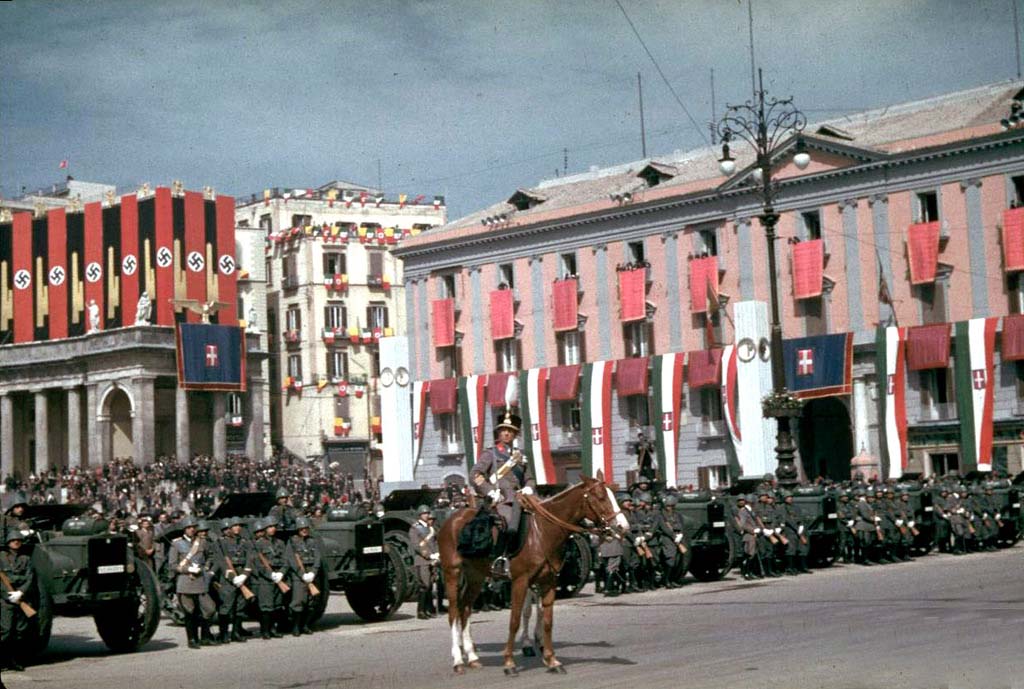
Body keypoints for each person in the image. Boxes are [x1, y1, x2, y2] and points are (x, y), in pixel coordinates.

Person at [469, 411, 534, 578]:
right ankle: (500, 558)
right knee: (508, 522)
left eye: (510, 431)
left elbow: (529, 478)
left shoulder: (521, 456)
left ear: (515, 434)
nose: (506, 433)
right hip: (501, 499)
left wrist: (529, 487)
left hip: (522, 498)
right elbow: (475, 475)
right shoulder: (490, 453)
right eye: (503, 430)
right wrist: (490, 491)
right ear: (498, 432)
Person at [169, 517, 217, 649]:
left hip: (201, 581)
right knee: (190, 612)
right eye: (189, 528)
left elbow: (210, 557)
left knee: (209, 609)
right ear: (184, 529)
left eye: (193, 527)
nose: (191, 529)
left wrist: (205, 567)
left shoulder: (201, 542)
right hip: (186, 582)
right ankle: (192, 639)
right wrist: (188, 569)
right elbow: (172, 565)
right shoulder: (177, 544)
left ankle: (205, 637)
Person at [212, 516, 253, 643]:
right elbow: (221, 562)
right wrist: (233, 577)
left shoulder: (245, 542)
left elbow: (250, 559)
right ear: (228, 528)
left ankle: (236, 632)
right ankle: (223, 633)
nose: (237, 528)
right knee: (226, 606)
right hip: (228, 579)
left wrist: (244, 575)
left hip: (242, 576)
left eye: (239, 526)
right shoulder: (220, 543)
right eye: (234, 526)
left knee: (240, 606)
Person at [1, 529, 36, 672]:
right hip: (6, 600)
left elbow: (30, 578)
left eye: (18, 540)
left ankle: (13, 661)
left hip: (21, 599)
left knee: (20, 632)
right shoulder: (1, 557)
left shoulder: (25, 559)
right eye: (13, 540)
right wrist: (8, 595)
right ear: (8, 542)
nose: (16, 542)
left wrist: (21, 592)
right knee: (6, 631)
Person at [252, 517, 289, 639]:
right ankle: (265, 630)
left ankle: (273, 628)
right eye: (269, 527)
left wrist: (281, 573)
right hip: (266, 579)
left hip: (279, 576)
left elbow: (286, 560)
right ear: (264, 529)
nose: (272, 529)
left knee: (277, 604)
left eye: (273, 526)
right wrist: (270, 575)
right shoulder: (258, 544)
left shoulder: (280, 543)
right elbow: (258, 564)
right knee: (266, 605)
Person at [284, 517, 321, 635]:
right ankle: (296, 626)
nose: (304, 530)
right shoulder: (292, 542)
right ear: (297, 530)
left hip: (311, 574)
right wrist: (302, 574)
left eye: (306, 528)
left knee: (311, 602)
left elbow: (317, 558)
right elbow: (291, 560)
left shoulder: (313, 541)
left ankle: (305, 625)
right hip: (299, 576)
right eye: (301, 529)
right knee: (298, 601)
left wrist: (313, 572)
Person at [409, 505, 439, 619]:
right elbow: (417, 545)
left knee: (430, 585)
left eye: (427, 513)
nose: (427, 515)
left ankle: (428, 609)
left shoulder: (430, 528)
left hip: (432, 560)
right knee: (424, 585)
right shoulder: (415, 528)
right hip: (422, 560)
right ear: (420, 515)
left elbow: (435, 542)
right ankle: (420, 611)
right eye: (424, 513)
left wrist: (437, 553)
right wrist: (429, 555)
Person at [652, 495, 687, 588]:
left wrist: (680, 535)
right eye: (668, 506)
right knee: (670, 559)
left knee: (677, 560)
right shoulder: (661, 516)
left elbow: (682, 526)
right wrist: (674, 536)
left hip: (678, 538)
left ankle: (673, 579)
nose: (670, 507)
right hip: (667, 539)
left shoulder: (677, 515)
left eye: (672, 506)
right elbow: (664, 528)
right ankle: (667, 580)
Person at [779, 491, 812, 574]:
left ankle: (803, 567)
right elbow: (787, 520)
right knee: (791, 549)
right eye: (788, 497)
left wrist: (801, 525)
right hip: (789, 530)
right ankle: (790, 568)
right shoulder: (782, 507)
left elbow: (801, 517)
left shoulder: (796, 507)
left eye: (791, 497)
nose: (790, 498)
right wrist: (797, 529)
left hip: (798, 529)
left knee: (802, 548)